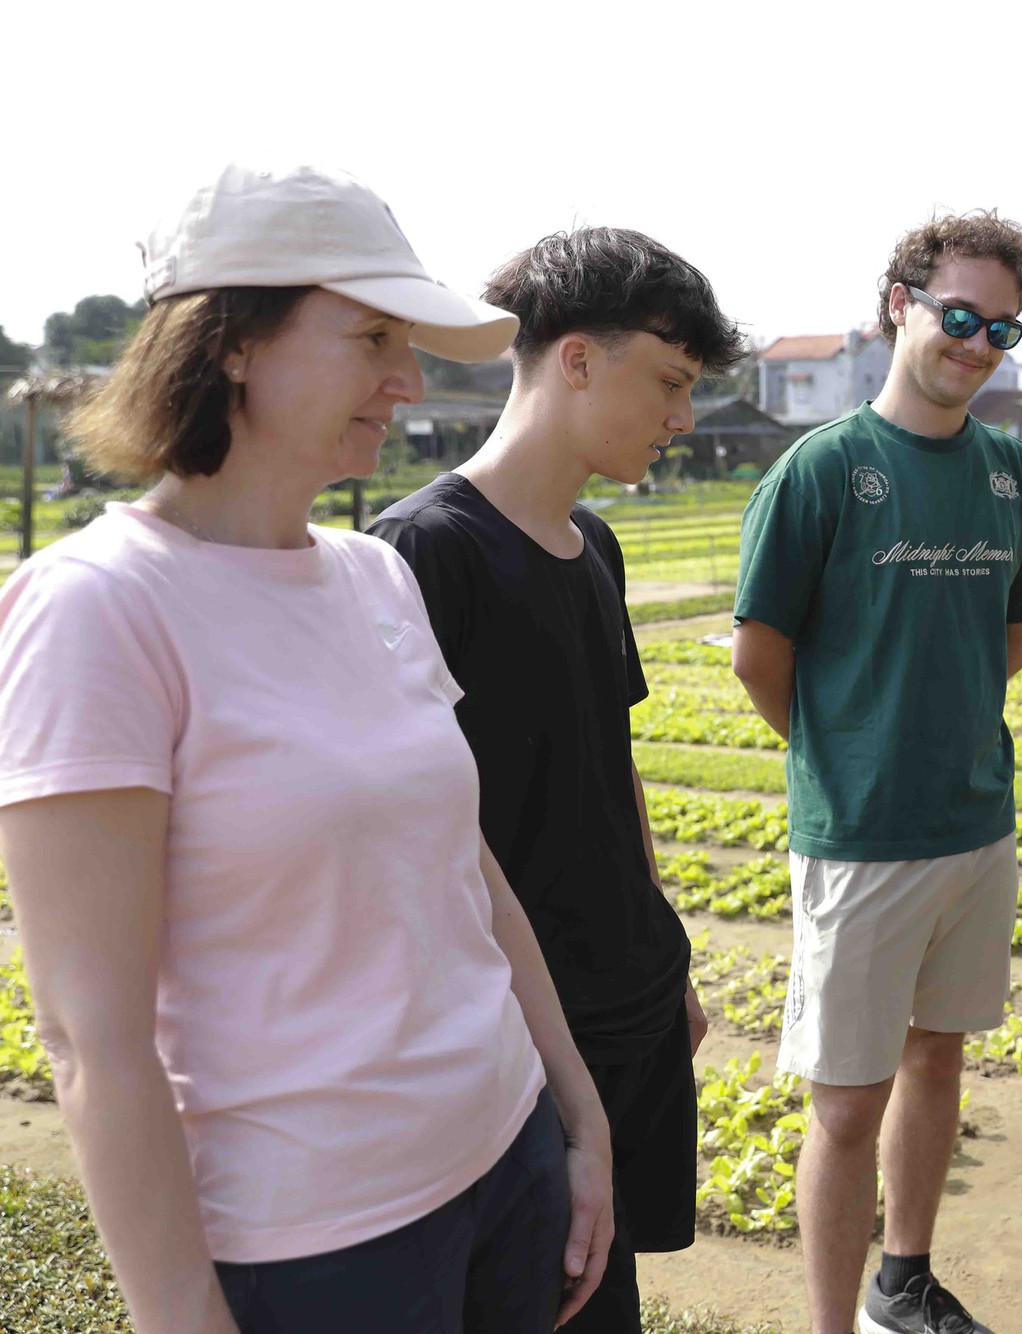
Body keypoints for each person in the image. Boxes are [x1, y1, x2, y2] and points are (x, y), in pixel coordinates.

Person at [0, 163, 613, 1333]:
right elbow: (93, 1039)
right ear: (232, 340)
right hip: (319, 1243)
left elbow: (464, 868)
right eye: (372, 334)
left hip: (504, 1153)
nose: (408, 379)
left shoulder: (373, 570)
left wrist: (575, 1112)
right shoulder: (99, 608)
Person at [369, 227, 748, 1332]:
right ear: (576, 359)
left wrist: (658, 941)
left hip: (625, 999)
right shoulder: (421, 553)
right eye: (670, 381)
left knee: (606, 1289)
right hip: (517, 1027)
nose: (682, 415)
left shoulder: (595, 544)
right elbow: (413, 836)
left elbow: (608, 761)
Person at [731, 211, 1022, 1334]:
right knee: (842, 1106)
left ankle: (904, 1280)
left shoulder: (1013, 473)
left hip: (976, 824)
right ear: (898, 305)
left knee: (938, 1058)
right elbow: (760, 655)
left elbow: (1011, 635)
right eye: (958, 316)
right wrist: (848, 749)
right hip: (861, 839)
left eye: (1001, 328)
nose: (977, 345)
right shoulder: (821, 472)